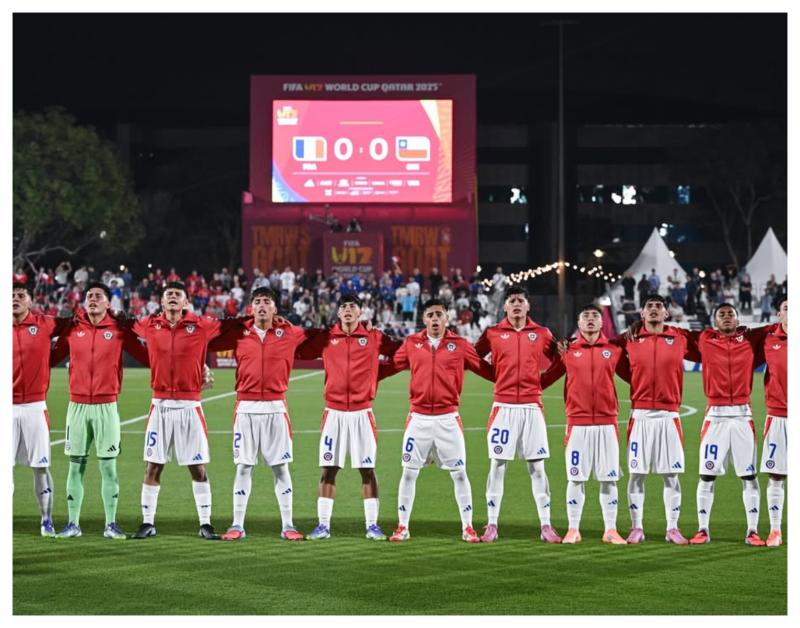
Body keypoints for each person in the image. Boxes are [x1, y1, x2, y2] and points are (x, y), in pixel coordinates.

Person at [130, 281, 244, 540]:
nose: (172, 297)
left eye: (177, 294)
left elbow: (232, 326)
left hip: (190, 406)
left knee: (197, 467)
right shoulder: (149, 324)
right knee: (153, 466)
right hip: (160, 405)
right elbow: (122, 327)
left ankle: (205, 523)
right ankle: (147, 522)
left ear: (185, 302)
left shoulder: (201, 325)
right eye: (168, 294)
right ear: (161, 301)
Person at [379, 299, 495, 543]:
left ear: (447, 318)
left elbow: (485, 369)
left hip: (448, 419)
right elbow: (390, 367)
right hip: (418, 418)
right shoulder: (412, 343)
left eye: (439, 314)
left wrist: (512, 379)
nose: (434, 318)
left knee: (459, 474)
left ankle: (468, 527)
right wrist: (363, 376)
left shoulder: (460, 345)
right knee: (408, 473)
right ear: (424, 319)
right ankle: (402, 527)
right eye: (430, 314)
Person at [207, 288, 311, 541]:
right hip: (246, 407)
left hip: (276, 407)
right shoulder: (238, 333)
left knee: (280, 468)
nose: (262, 306)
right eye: (257, 302)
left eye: (267, 302)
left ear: (275, 308)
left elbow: (321, 339)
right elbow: (203, 340)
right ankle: (237, 525)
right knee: (244, 467)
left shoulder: (290, 332)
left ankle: (288, 525)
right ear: (251, 307)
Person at [295, 294, 401, 540]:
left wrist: (378, 373)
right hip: (333, 413)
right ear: (338, 313)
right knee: (328, 469)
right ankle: (323, 526)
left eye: (353, 306)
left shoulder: (374, 337)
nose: (347, 310)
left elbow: (402, 353)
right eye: (343, 307)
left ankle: (372, 526)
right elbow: (298, 350)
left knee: (367, 469)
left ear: (361, 312)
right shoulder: (327, 337)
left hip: (362, 413)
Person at [49, 282, 149, 539]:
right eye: (89, 296)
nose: (92, 299)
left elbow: (149, 357)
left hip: (107, 407)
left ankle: (111, 524)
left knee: (108, 468)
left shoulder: (119, 329)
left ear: (108, 302)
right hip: (77, 406)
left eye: (98, 296)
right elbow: (49, 358)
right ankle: (72, 524)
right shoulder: (73, 328)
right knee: (75, 467)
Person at [473, 286, 561, 543]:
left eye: (521, 300)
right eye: (512, 301)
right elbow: (474, 359)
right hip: (503, 407)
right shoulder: (493, 333)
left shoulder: (542, 333)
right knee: (497, 465)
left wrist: (541, 384)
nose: (516, 304)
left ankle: (546, 525)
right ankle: (492, 524)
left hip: (532, 407)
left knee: (537, 467)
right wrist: (497, 378)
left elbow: (561, 360)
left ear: (528, 305)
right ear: (505, 306)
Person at [681, 303, 771, 546]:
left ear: (738, 319)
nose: (727, 316)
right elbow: (677, 334)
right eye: (721, 314)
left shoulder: (750, 338)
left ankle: (752, 531)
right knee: (707, 475)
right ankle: (702, 529)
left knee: (749, 476)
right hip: (715, 417)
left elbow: (776, 328)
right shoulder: (705, 339)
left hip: (742, 416)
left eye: (731, 313)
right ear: (715, 321)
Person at [541, 304, 630, 544]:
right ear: (579, 324)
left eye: (595, 316)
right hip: (577, 423)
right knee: (576, 477)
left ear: (601, 323)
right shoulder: (567, 350)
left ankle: (610, 530)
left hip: (607, 422)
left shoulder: (614, 350)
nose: (590, 319)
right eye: (586, 316)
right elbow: (547, 378)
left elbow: (634, 377)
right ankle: (573, 529)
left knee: (609, 478)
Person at [616, 295, 693, 544]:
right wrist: (634, 379)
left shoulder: (680, 337)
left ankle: (673, 528)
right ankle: (636, 527)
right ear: (641, 314)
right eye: (649, 306)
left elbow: (710, 348)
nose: (654, 309)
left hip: (669, 415)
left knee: (671, 475)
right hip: (640, 415)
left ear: (666, 314)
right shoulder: (629, 338)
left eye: (658, 306)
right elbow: (605, 350)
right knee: (637, 474)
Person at [12, 283, 72, 536]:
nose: (15, 299)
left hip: (35, 407)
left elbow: (72, 325)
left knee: (40, 466)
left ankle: (46, 519)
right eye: (11, 296)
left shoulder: (45, 323)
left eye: (20, 295)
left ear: (30, 301)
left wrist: (57, 356)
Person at [757, 297, 787, 547]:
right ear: (779, 314)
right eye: (787, 308)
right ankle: (775, 530)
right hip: (778, 417)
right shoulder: (768, 340)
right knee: (776, 475)